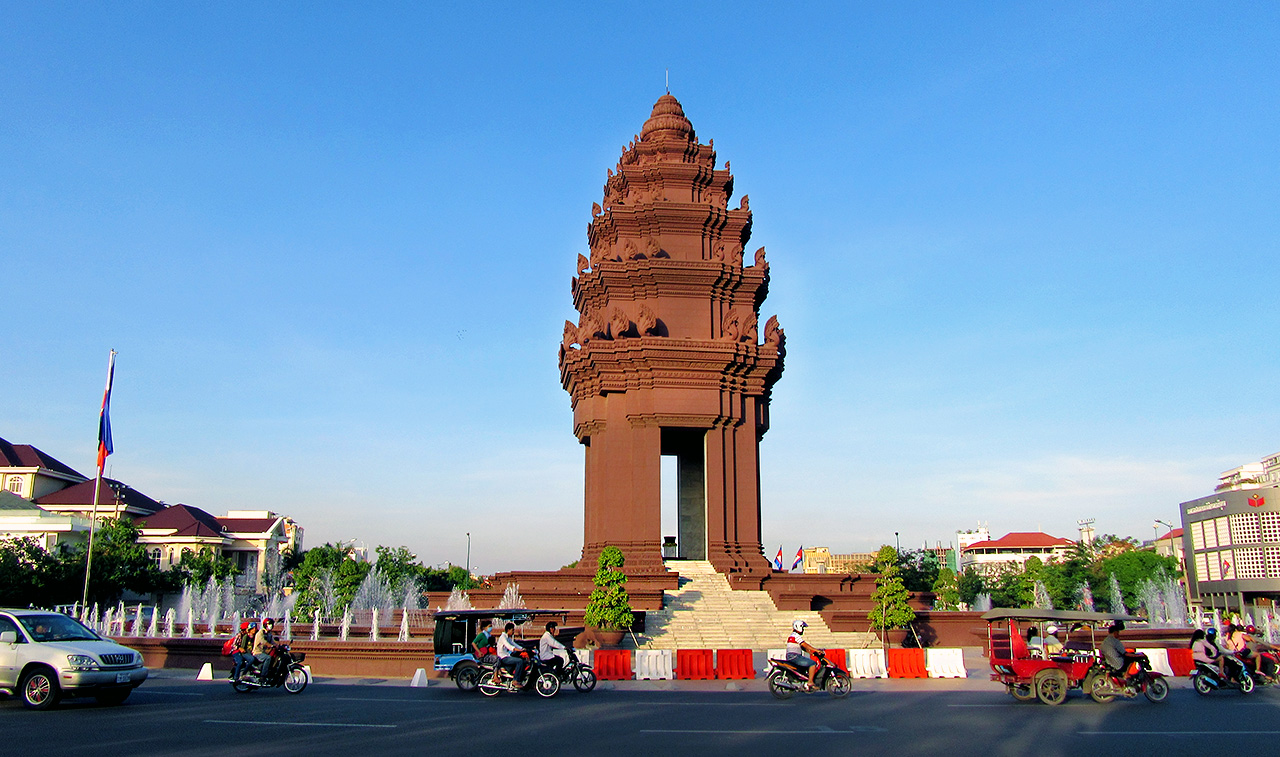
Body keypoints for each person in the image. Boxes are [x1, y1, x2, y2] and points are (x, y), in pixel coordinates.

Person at [785, 620, 819, 691]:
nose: (803, 630)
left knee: (806, 664)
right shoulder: (796, 636)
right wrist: (816, 650)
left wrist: (811, 653)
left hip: (792, 657)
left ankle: (805, 681)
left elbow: (802, 647)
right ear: (798, 627)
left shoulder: (793, 635)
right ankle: (810, 682)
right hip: (795, 657)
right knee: (812, 664)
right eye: (802, 628)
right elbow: (804, 645)